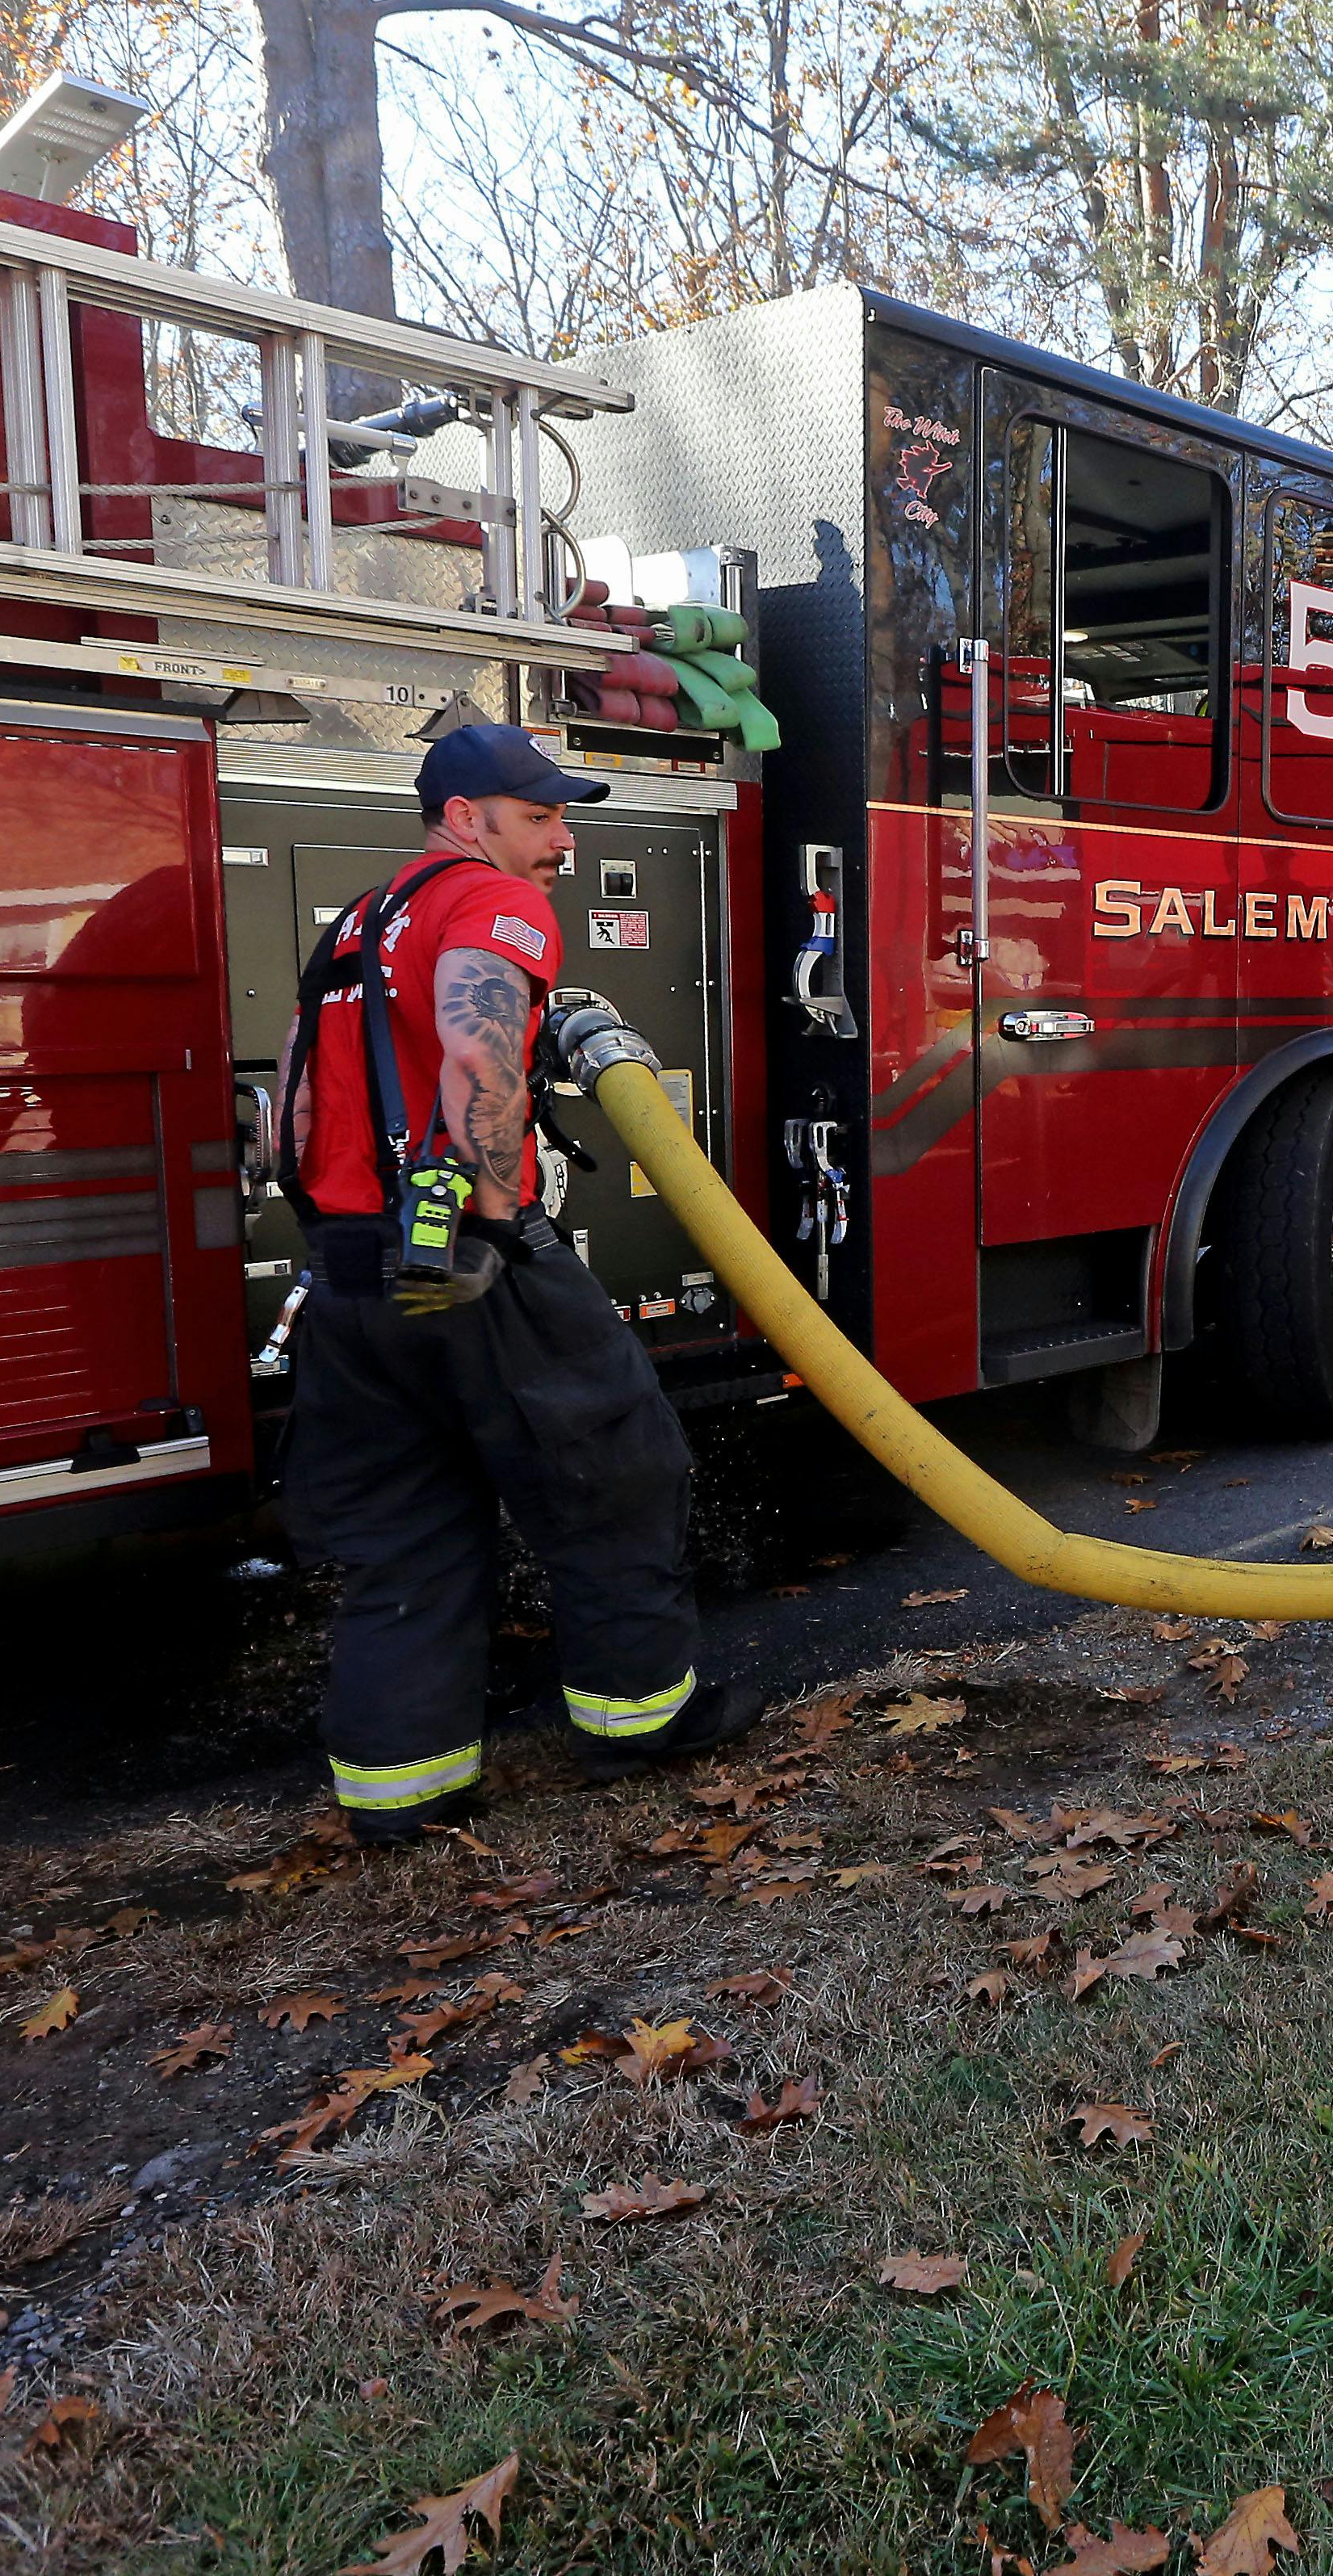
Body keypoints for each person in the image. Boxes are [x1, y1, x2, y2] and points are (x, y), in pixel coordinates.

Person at [279, 724, 760, 1843]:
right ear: (465, 818)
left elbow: (296, 1112)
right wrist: (490, 1221)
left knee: (406, 1526)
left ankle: (404, 1788)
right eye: (539, 817)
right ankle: (642, 1720)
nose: (564, 841)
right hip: (466, 1270)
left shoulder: (353, 924)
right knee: (613, 1472)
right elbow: (482, 1054)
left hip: (353, 1283)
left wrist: (349, 1239)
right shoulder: (484, 903)